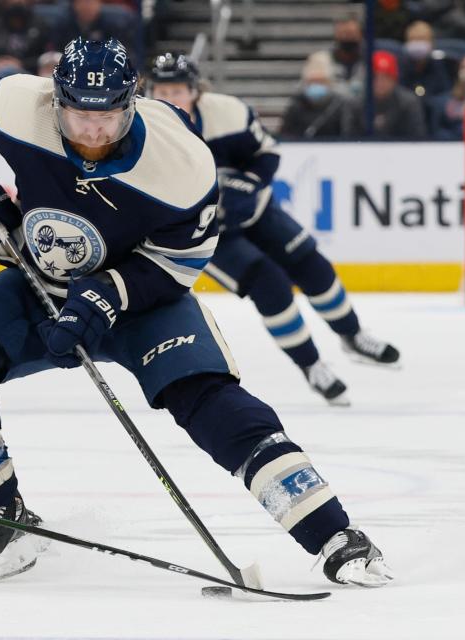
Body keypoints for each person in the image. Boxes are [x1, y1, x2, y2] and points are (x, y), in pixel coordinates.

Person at [0, 37, 393, 587]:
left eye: (108, 115)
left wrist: (106, 294)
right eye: (78, 114)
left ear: (131, 103)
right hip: (40, 284)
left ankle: (332, 533)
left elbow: (183, 262)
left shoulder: (181, 162)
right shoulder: (18, 104)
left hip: (143, 301)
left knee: (209, 400)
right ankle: (3, 515)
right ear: (55, 100)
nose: (93, 131)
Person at [148, 53, 401, 406]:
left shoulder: (229, 114)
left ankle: (353, 335)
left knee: (312, 265)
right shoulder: (144, 133)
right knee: (271, 286)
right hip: (204, 234)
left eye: (177, 89)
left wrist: (248, 184)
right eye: (162, 90)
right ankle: (312, 366)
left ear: (195, 91)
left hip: (256, 211)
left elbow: (266, 153)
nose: (169, 98)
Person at [346, 50, 427, 138]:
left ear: (394, 79)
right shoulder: (355, 104)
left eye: (387, 77)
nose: (380, 82)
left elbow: (417, 139)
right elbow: (348, 140)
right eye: (375, 77)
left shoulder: (409, 103)